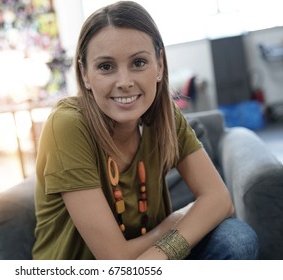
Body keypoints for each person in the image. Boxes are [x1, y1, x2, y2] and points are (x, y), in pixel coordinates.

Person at [32, 0, 258, 260]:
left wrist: (162, 253)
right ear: (84, 74)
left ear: (159, 65)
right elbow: (115, 260)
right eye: (106, 66)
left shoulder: (164, 116)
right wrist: (170, 225)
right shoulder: (67, 124)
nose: (125, 82)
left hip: (150, 261)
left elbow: (219, 199)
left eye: (138, 63)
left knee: (237, 240)